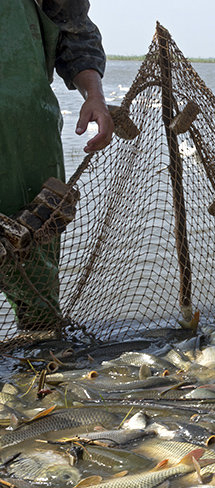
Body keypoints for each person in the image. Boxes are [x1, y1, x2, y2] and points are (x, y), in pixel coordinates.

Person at [0, 0, 114, 332]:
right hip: (25, 128)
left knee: (34, 271)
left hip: (24, 134)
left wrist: (95, 95)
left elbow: (73, 30)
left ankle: (40, 352)